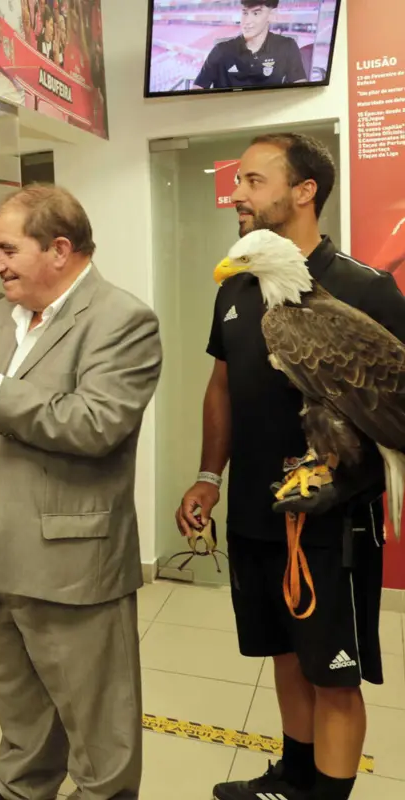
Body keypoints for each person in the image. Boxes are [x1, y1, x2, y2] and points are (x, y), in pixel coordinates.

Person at [0, 184, 160, 800]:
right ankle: (21, 788)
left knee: (97, 722)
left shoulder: (121, 320)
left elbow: (95, 424)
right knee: (21, 705)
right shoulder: (2, 315)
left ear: (60, 249)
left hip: (70, 561)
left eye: (6, 249)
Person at [177, 134, 405, 800]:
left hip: (331, 526)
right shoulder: (241, 284)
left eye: (251, 180)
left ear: (303, 191)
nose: (236, 194)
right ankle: (295, 777)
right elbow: (222, 385)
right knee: (282, 654)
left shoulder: (365, 289)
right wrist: (207, 477)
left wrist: (342, 484)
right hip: (255, 505)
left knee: (332, 672)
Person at [193, 1, 306, 91]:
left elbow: (301, 88)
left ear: (272, 15)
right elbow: (197, 89)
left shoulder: (287, 46)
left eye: (256, 13)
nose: (247, 21)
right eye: (245, 13)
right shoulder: (221, 50)